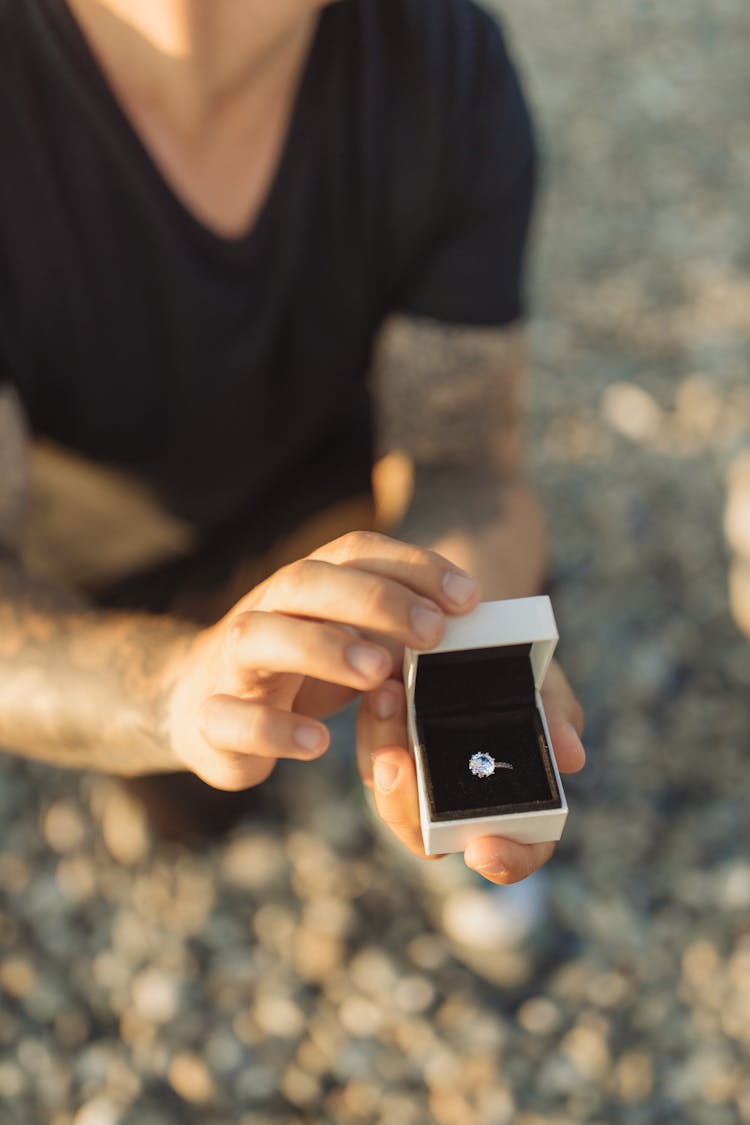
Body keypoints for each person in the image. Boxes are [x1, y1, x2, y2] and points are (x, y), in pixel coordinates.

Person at [0, 0, 585, 896]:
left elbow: (462, 456)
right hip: (92, 566)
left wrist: (461, 647)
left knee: (497, 651)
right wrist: (171, 692)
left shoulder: (439, 58)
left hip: (335, 493)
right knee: (194, 800)